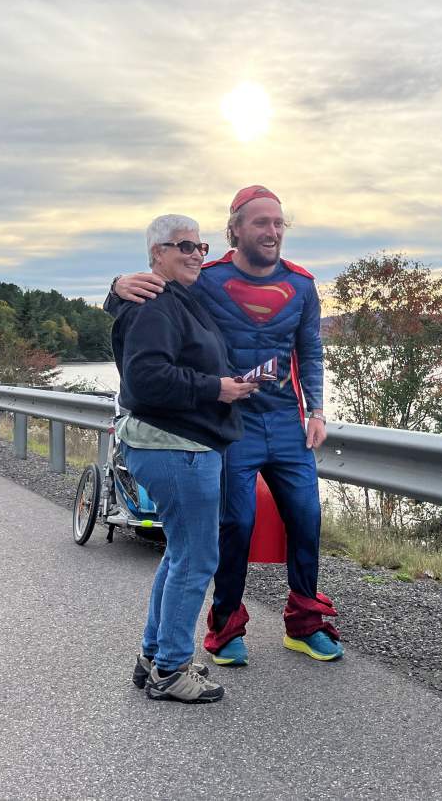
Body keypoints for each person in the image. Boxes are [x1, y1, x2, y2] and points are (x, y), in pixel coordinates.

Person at [109, 185, 344, 666]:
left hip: (285, 422)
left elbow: (311, 351)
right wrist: (115, 288)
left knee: (306, 519)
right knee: (233, 524)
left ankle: (304, 623)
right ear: (234, 229)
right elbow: (153, 299)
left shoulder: (301, 284)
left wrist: (316, 411)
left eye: (278, 223)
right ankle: (225, 628)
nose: (272, 231)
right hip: (229, 422)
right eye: (260, 222)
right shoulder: (206, 278)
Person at [111, 214, 258, 703]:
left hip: (179, 442)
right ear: (157, 255)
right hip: (176, 446)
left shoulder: (172, 299)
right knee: (196, 558)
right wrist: (217, 388)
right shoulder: (154, 303)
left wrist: (230, 381)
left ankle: (154, 656)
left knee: (179, 554)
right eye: (183, 247)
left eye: (200, 246)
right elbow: (148, 378)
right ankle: (173, 669)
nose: (196, 254)